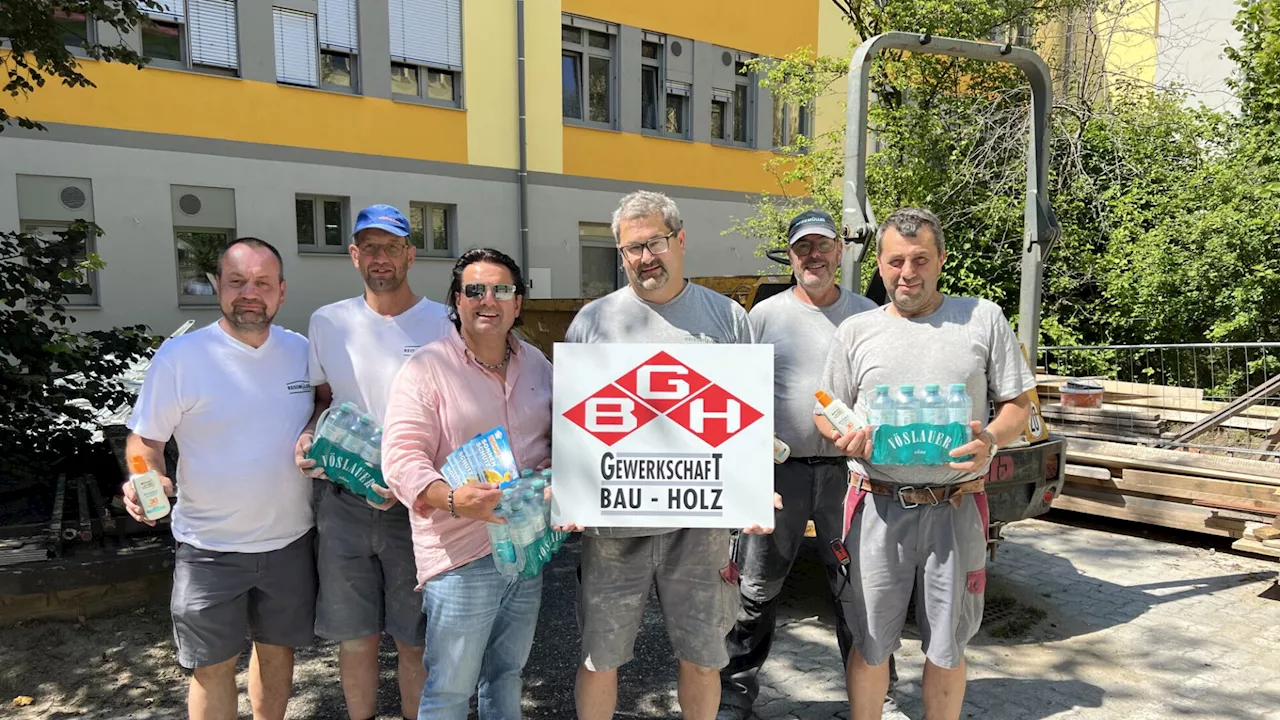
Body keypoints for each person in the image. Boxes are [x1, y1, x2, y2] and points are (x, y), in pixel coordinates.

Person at [817, 208, 1035, 720]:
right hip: (875, 507)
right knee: (870, 640)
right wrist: (841, 435)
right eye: (895, 261)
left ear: (940, 259)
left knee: (948, 644)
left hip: (956, 506)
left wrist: (992, 441)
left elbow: (1019, 405)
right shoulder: (855, 331)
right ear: (880, 263)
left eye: (919, 259)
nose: (907, 272)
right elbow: (824, 405)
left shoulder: (982, 318)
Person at [565, 190, 771, 720]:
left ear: (680, 241)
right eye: (631, 249)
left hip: (699, 530)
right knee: (598, 658)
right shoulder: (593, 322)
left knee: (703, 658)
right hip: (613, 530)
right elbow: (571, 425)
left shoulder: (726, 318)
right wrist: (567, 488)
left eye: (654, 243)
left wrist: (753, 486)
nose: (643, 258)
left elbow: (749, 419)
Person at [122, 237, 315, 720]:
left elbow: (327, 406)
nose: (250, 292)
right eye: (237, 281)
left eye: (262, 283)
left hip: (290, 542)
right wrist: (149, 482)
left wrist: (315, 427)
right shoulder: (182, 357)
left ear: (282, 291)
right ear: (218, 287)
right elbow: (143, 443)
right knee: (210, 668)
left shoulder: (302, 352)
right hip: (208, 548)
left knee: (276, 654)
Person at [717, 210, 876, 720]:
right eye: (803, 247)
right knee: (755, 588)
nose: (814, 255)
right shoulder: (763, 317)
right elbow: (737, 393)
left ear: (840, 253)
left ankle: (873, 699)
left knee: (859, 590)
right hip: (778, 476)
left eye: (823, 246)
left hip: (847, 474)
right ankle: (732, 695)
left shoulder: (866, 315)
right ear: (790, 257)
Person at [381, 248, 553, 720]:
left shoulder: (537, 364)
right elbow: (401, 456)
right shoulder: (427, 368)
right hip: (461, 556)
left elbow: (562, 438)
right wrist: (453, 499)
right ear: (456, 301)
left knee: (506, 675)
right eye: (475, 290)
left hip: (526, 548)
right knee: (450, 691)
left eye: (502, 289)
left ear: (518, 303)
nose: (488, 300)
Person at [294, 204, 450, 720]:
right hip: (343, 503)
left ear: (410, 253)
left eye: (392, 246)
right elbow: (323, 400)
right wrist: (310, 434)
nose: (380, 258)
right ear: (354, 255)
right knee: (354, 637)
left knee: (415, 639)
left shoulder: (444, 323)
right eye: (370, 248)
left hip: (419, 508)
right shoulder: (328, 321)